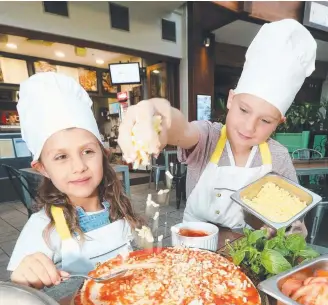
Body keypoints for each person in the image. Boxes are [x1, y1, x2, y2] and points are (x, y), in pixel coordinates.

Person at [118, 19, 316, 236]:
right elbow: (180, 128)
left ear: (279, 122)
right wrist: (156, 113)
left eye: (265, 121)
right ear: (231, 99)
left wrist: (294, 231)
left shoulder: (278, 157)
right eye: (244, 110)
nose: (249, 127)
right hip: (193, 248)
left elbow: (294, 215)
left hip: (248, 254)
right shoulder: (208, 139)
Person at [8, 72, 140, 289]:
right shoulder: (43, 227)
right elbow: (20, 295)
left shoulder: (119, 205)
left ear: (103, 153)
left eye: (88, 151)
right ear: (43, 168)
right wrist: (25, 276)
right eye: (61, 157)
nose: (79, 166)